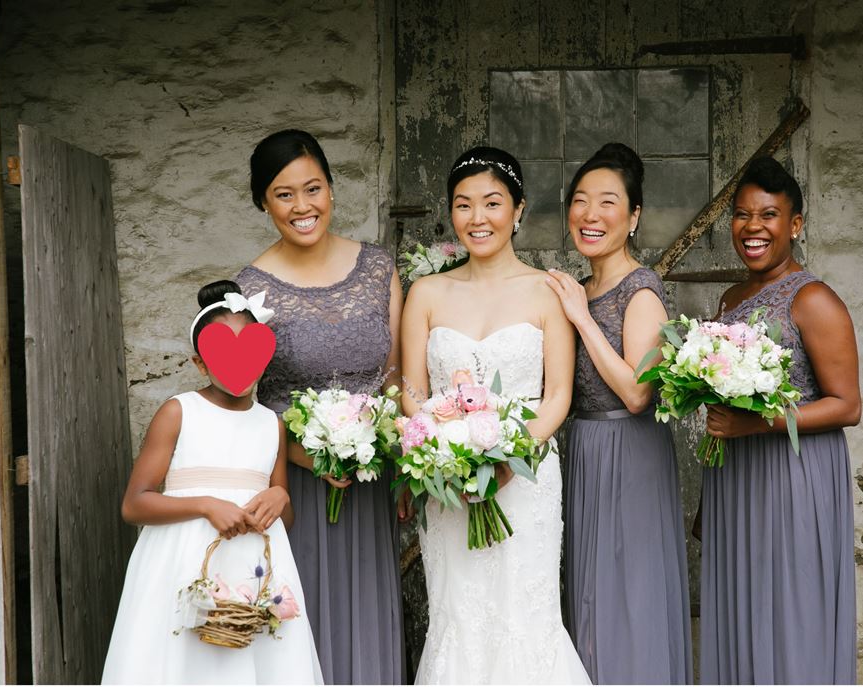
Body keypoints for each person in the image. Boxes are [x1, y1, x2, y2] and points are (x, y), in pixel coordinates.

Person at [400, 146, 590, 684]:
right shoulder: (427, 292)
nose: (476, 218)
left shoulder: (546, 291)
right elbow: (411, 389)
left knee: (525, 614)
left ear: (519, 209)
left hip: (526, 475)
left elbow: (557, 399)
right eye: (463, 205)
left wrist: (508, 454)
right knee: (458, 613)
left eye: (491, 203)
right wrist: (449, 451)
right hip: (447, 480)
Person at [235, 130, 404, 684]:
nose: (302, 207)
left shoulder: (379, 269)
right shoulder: (250, 291)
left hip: (371, 478)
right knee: (301, 621)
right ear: (263, 201)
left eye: (313, 188)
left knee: (367, 611)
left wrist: (388, 456)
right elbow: (244, 405)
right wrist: (313, 458)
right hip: (296, 485)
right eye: (284, 195)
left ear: (331, 188)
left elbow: (399, 376)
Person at [102, 280, 322, 684]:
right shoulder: (178, 412)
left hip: (254, 568)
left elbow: (284, 516)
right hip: (182, 564)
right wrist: (205, 504)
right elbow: (134, 505)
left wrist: (279, 496)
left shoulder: (271, 425)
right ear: (200, 364)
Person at [700, 156, 860, 684]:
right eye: (742, 215)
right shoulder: (731, 298)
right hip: (738, 476)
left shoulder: (813, 299)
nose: (752, 227)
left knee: (790, 608)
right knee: (743, 604)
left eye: (768, 215)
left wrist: (756, 425)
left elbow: (846, 405)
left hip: (792, 475)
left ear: (794, 225)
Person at [545, 142, 692, 684]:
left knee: (631, 590)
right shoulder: (578, 288)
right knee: (589, 589)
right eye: (580, 201)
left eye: (607, 202)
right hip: (583, 451)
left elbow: (637, 393)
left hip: (630, 453)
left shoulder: (641, 291)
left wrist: (581, 319)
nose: (590, 214)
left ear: (633, 217)